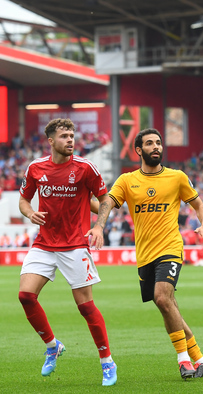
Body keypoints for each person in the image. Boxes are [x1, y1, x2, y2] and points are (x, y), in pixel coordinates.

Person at [88, 128, 203, 380]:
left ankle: (183, 361)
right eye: (149, 143)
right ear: (139, 150)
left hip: (170, 248)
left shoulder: (177, 177)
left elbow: (199, 204)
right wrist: (96, 218)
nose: (156, 146)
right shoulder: (126, 180)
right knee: (169, 306)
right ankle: (200, 359)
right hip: (145, 254)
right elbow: (107, 204)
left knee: (162, 298)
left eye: (158, 142)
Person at [18, 118, 117, 386]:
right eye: (64, 136)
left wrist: (98, 226)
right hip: (44, 243)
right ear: (51, 141)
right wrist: (30, 214)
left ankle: (107, 362)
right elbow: (24, 200)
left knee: (85, 307)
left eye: (72, 135)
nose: (70, 140)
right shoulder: (36, 168)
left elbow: (105, 199)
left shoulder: (86, 168)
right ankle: (52, 346)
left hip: (74, 244)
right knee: (26, 296)